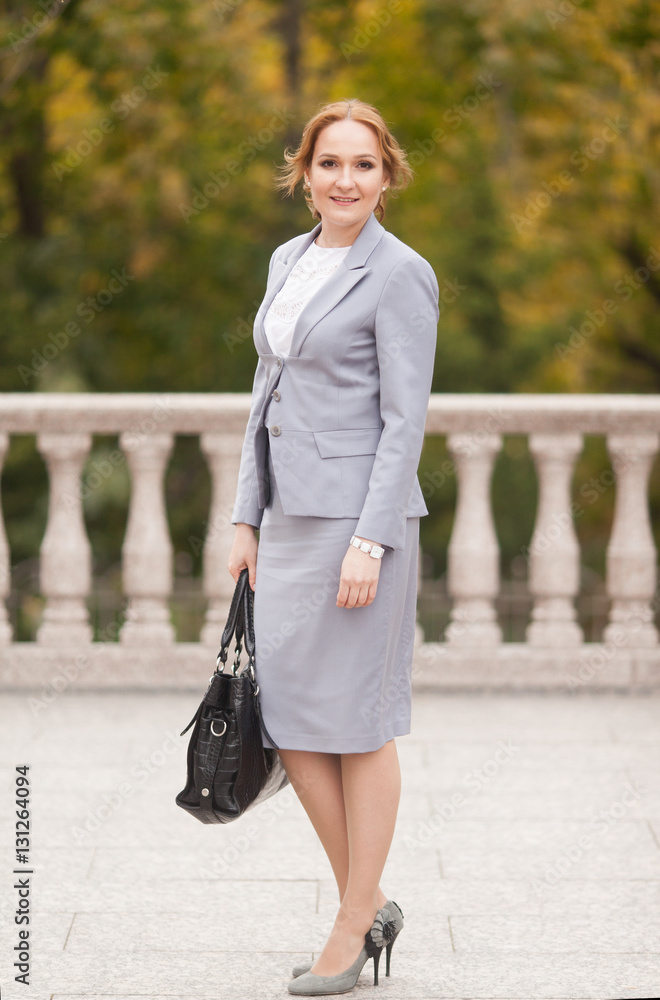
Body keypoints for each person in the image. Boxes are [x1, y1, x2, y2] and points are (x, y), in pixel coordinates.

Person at [228, 98, 439, 996]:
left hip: (361, 527)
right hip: (287, 521)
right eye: (329, 164)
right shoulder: (288, 260)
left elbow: (405, 422)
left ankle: (351, 928)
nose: (344, 180)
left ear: (386, 176)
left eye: (362, 165)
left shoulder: (401, 274)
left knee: (358, 722)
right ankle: (374, 900)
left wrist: (371, 541)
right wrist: (245, 517)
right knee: (291, 719)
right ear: (304, 173)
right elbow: (263, 392)